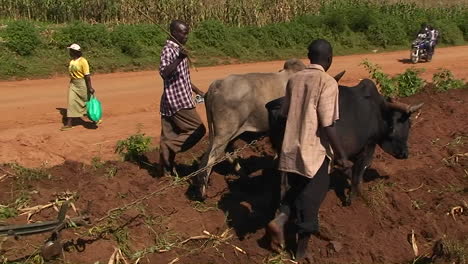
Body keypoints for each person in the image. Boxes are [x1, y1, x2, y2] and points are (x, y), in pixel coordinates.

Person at [266, 39, 353, 262]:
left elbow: (284, 113)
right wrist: (342, 156)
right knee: (313, 196)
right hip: (312, 152)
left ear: (309, 56)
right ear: (330, 59)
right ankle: (302, 251)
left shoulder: (295, 79)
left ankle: (281, 220)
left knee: (295, 188)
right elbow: (328, 124)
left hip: (290, 149)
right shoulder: (327, 83)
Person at [158, 20, 206, 177]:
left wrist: (198, 91)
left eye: (187, 32)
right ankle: (169, 146)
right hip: (178, 101)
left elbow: (183, 78)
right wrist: (179, 58)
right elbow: (164, 73)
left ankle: (166, 173)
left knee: (169, 134)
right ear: (173, 32)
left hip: (173, 99)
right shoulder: (169, 50)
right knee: (198, 130)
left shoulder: (179, 49)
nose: (186, 36)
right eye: (183, 32)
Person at [62, 43, 99, 131]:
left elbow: (87, 75)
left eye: (70, 50)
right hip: (73, 84)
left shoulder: (83, 61)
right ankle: (69, 123)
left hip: (82, 83)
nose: (69, 52)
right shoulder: (72, 61)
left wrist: (90, 87)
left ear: (74, 51)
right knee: (71, 102)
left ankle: (95, 118)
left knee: (87, 102)